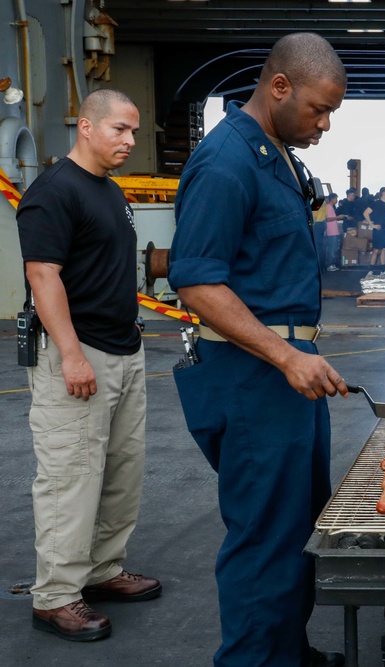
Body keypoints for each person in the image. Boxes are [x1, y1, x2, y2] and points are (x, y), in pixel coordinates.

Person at [168, 33, 349, 667]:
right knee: (263, 536)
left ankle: (285, 652)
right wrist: (287, 355)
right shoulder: (226, 161)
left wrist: (299, 356)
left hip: (285, 378)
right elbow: (195, 279)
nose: (324, 125)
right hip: (252, 380)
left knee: (296, 526)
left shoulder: (277, 154)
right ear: (279, 88)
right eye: (319, 110)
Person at [16, 88, 161, 642]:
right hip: (78, 355)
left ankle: (101, 570)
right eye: (119, 129)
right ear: (85, 126)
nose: (129, 140)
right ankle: (55, 596)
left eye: (132, 130)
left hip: (123, 350)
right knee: (70, 477)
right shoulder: (55, 192)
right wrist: (72, 355)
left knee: (121, 474)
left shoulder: (110, 191)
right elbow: (42, 277)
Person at [364, 186, 385, 270]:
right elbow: (365, 213)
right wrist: (372, 225)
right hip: (378, 229)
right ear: (384, 193)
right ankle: (371, 269)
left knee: (384, 250)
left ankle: (383, 269)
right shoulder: (375, 204)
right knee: (376, 250)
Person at [323, 193, 343, 271]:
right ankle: (329, 264)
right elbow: (327, 219)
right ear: (332, 199)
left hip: (334, 231)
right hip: (331, 231)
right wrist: (337, 217)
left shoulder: (331, 207)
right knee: (331, 248)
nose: (336, 200)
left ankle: (332, 264)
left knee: (333, 248)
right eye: (336, 199)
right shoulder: (328, 207)